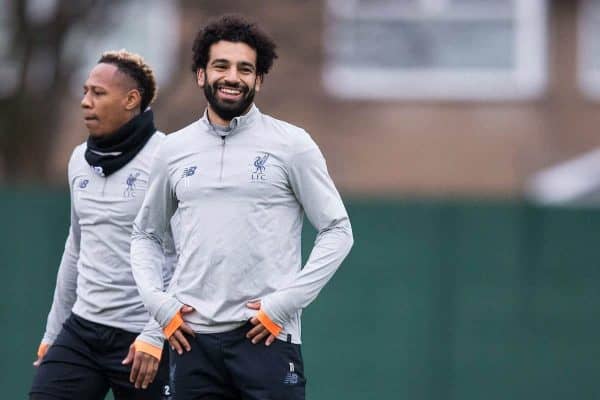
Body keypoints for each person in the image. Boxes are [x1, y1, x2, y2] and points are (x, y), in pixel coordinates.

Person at [130, 15, 354, 400]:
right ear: (201, 74)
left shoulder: (292, 144)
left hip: (266, 338)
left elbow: (338, 231)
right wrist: (159, 305)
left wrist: (282, 306)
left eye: (245, 69)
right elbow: (146, 235)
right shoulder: (173, 150)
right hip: (190, 342)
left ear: (258, 80)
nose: (232, 77)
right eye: (221, 66)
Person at [30, 50, 176, 400]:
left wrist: (155, 334)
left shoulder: (168, 158)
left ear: (131, 100)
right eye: (85, 91)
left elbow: (188, 256)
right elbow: (75, 248)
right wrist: (54, 333)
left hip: (143, 336)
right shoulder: (78, 159)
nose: (85, 102)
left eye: (98, 93)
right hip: (83, 331)